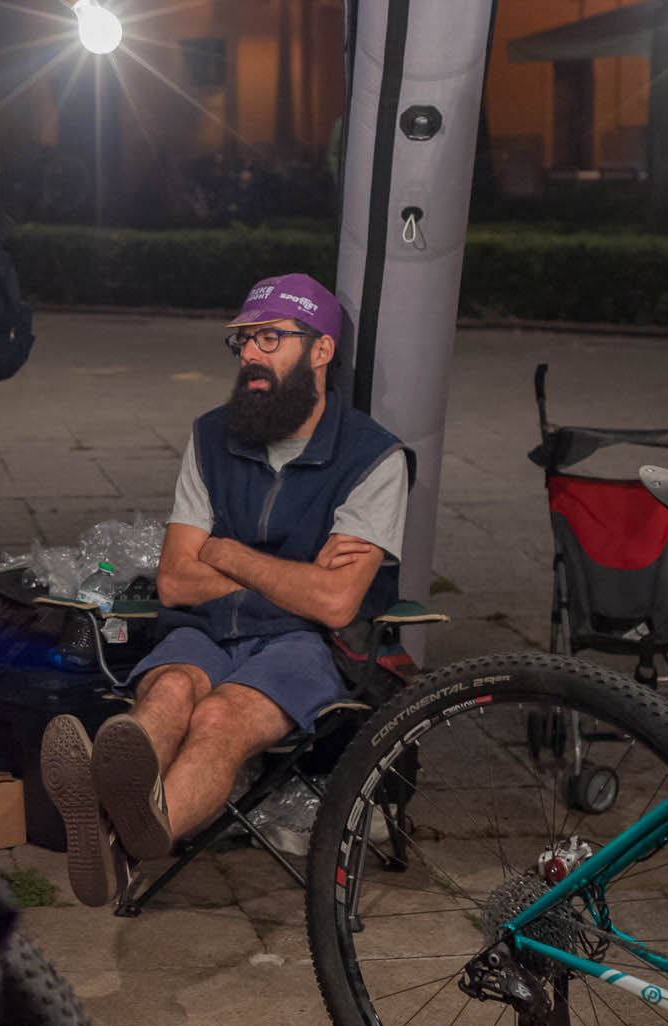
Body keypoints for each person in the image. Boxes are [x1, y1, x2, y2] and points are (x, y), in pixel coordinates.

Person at [40, 274, 412, 908]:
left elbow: (333, 604)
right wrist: (296, 571)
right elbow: (174, 579)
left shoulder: (373, 459)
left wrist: (226, 551)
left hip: (306, 645)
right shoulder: (212, 436)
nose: (250, 357)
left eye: (270, 339)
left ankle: (113, 839)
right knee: (170, 692)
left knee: (219, 717)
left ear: (321, 350)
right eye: (243, 341)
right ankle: (118, 845)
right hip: (205, 627)